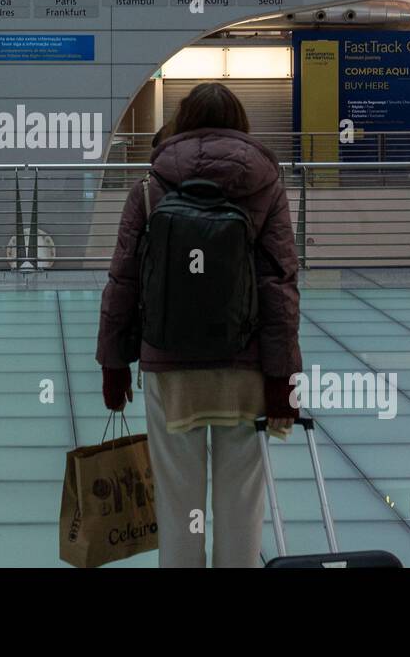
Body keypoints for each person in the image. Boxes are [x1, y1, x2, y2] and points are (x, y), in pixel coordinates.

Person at [97, 83, 300, 568]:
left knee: (179, 503)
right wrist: (283, 377)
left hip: (169, 367)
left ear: (183, 122)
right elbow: (280, 284)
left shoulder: (150, 186)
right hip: (245, 369)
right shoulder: (266, 183)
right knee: (240, 505)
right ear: (240, 123)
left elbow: (123, 278)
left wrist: (113, 362)